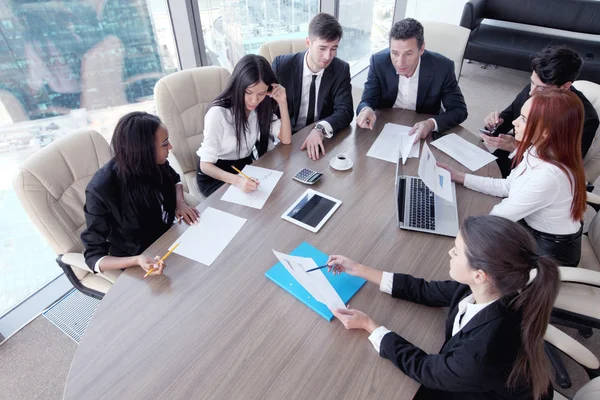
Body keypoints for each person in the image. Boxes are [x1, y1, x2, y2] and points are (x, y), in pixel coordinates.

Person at [329, 215, 558, 400]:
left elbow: (426, 369)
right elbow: (425, 290)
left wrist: (370, 325)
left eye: (456, 252)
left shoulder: (482, 351)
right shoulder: (493, 287)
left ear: (480, 275)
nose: (450, 253)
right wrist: (359, 269)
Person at [440, 89, 586, 267]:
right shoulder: (538, 148)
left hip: (550, 254)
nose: (515, 122)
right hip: (530, 228)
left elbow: (499, 216)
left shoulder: (549, 176)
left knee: (475, 264)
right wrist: (460, 177)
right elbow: (508, 186)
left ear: (546, 132)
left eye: (523, 119)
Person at [81, 112, 200, 276]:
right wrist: (136, 260)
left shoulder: (154, 162)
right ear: (144, 149)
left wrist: (180, 203)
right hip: (139, 259)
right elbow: (93, 258)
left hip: (169, 238)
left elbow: (175, 180)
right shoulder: (101, 189)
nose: (170, 147)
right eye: (165, 144)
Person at [482, 45, 599, 178]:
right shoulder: (533, 89)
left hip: (537, 176)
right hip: (506, 159)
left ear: (565, 86)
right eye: (532, 82)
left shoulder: (586, 119)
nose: (532, 92)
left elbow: (565, 164)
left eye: (542, 89)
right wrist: (494, 124)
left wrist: (519, 148)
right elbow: (508, 119)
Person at [356, 18, 467, 142]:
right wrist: (366, 109)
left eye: (408, 54)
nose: (400, 62)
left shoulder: (443, 67)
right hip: (385, 126)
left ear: (421, 49)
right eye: (395, 53)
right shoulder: (378, 62)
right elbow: (367, 100)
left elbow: (459, 110)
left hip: (424, 128)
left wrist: (430, 124)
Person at [196, 54, 292, 196]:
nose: (254, 100)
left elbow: (286, 139)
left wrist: (282, 102)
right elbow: (205, 166)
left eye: (261, 93)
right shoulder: (218, 113)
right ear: (238, 85)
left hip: (243, 167)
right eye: (248, 92)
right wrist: (238, 181)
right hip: (216, 174)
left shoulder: (261, 107)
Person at [272, 13, 353, 160]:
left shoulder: (341, 69)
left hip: (319, 139)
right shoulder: (282, 66)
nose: (328, 56)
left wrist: (320, 128)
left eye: (334, 48)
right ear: (308, 42)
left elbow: (345, 111)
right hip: (284, 139)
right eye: (322, 48)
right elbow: (267, 109)